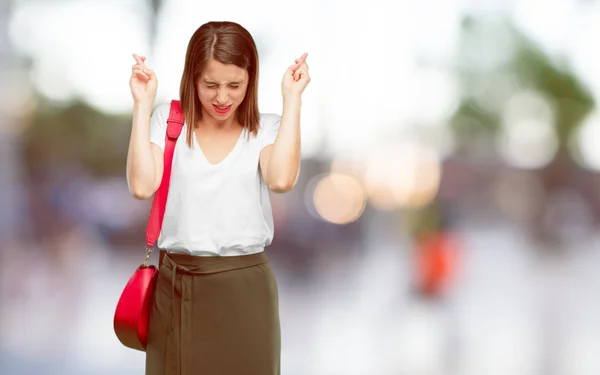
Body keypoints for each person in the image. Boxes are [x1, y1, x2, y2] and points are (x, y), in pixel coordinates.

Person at [126, 21, 310, 375]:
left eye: (234, 85)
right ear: (192, 79)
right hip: (176, 287)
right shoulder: (169, 121)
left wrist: (293, 100)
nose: (222, 97)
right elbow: (141, 186)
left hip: (245, 291)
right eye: (210, 84)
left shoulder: (266, 129)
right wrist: (142, 104)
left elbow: (282, 179)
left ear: (250, 80)